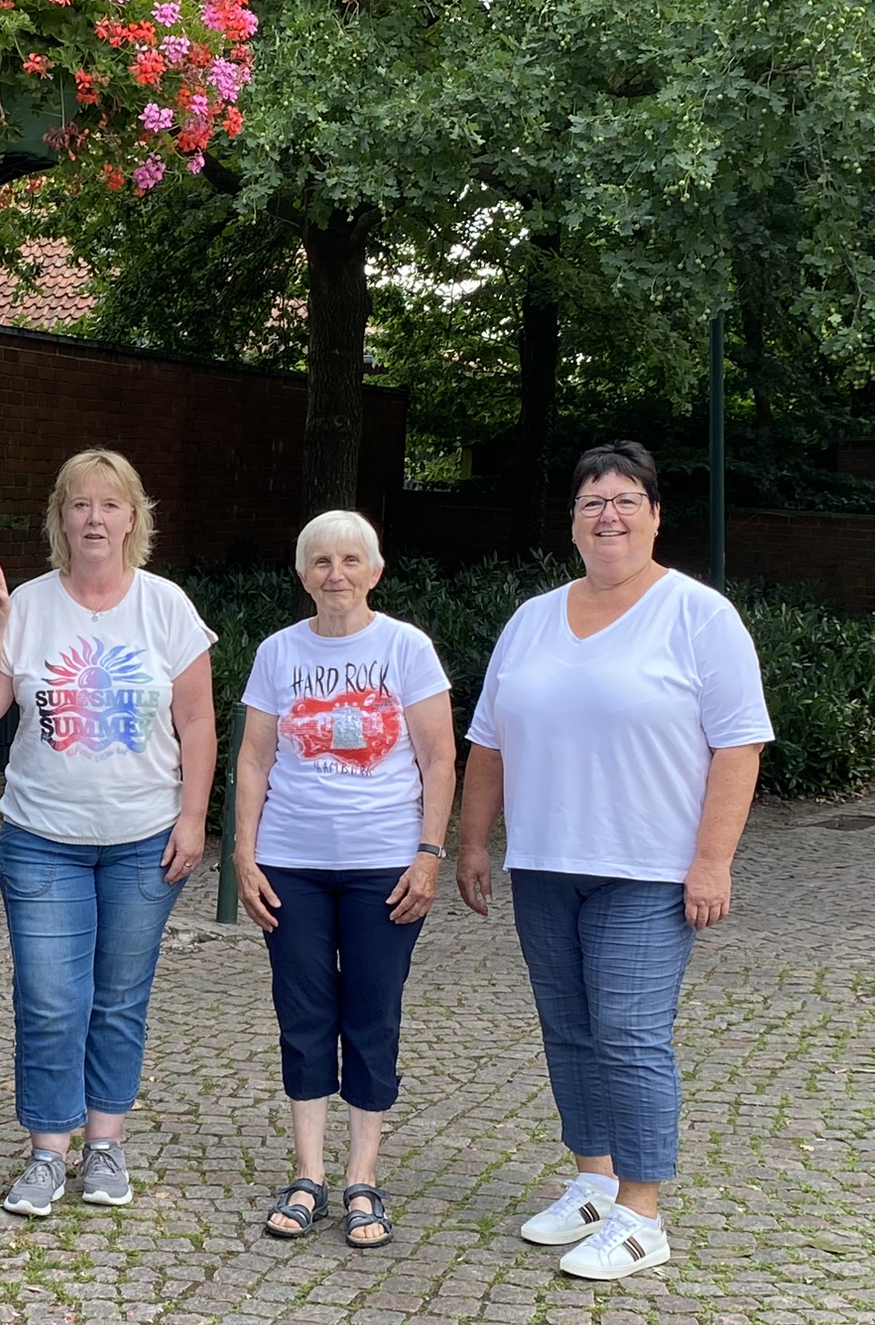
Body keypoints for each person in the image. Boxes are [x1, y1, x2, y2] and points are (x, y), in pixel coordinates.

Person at [458, 441, 772, 1281]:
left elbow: (739, 746)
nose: (610, 515)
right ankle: (592, 1182)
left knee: (630, 1035)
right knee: (569, 1029)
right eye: (593, 501)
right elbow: (487, 742)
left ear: (657, 515)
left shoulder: (699, 616)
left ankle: (642, 1212)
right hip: (548, 863)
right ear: (572, 521)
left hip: (650, 870)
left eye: (627, 499)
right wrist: (474, 841)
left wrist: (713, 863)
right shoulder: (531, 619)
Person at [0, 448, 217, 1217]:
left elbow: (197, 722)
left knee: (119, 999)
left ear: (132, 519)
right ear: (59, 518)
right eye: (79, 505)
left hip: (145, 836)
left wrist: (193, 818)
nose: (93, 518)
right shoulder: (28, 603)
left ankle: (106, 1145)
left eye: (109, 505)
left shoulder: (166, 606)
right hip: (42, 834)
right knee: (52, 999)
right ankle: (49, 1151)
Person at [234, 511, 456, 1248]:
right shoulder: (277, 652)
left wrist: (429, 853)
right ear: (303, 576)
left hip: (384, 868)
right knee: (301, 1016)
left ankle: (362, 1177)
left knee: (371, 1015)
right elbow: (256, 760)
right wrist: (243, 853)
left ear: (376, 570)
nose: (336, 573)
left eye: (351, 559)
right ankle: (308, 1177)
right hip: (291, 865)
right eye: (321, 561)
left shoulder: (406, 648)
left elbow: (438, 759)